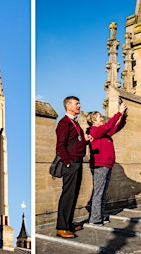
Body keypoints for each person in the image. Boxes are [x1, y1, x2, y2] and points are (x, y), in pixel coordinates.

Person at [55, 96, 92, 238]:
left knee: (74, 194)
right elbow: (60, 145)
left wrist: (86, 141)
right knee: (68, 195)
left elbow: (76, 143)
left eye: (79, 103)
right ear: (68, 105)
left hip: (77, 161)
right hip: (70, 163)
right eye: (77, 104)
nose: (79, 106)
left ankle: (68, 223)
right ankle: (61, 227)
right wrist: (68, 162)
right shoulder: (64, 123)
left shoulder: (74, 123)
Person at [86, 102, 127, 225]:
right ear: (94, 120)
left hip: (107, 165)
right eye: (99, 117)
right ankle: (94, 219)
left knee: (102, 192)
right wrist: (118, 112)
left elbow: (117, 127)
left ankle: (99, 215)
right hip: (99, 165)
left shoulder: (104, 133)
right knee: (98, 192)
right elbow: (109, 125)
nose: (102, 118)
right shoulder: (94, 131)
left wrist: (123, 116)